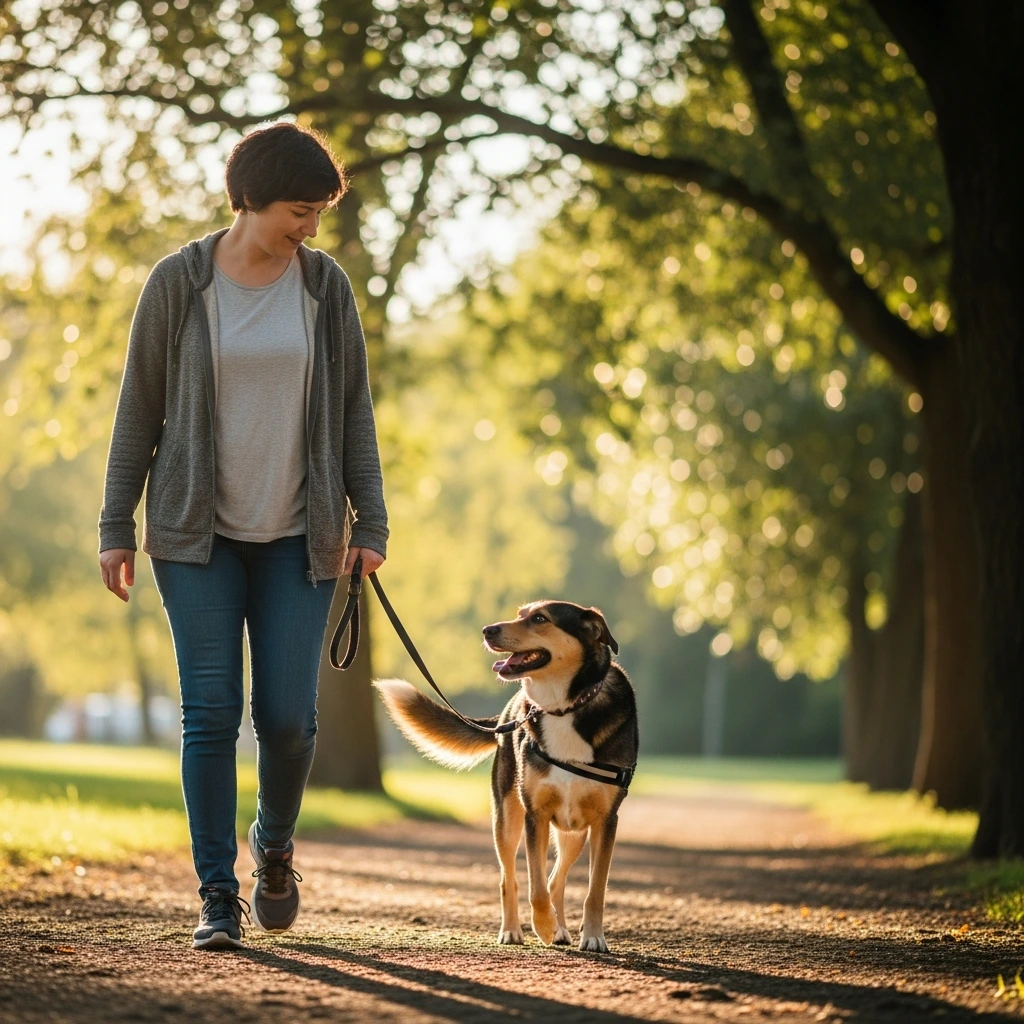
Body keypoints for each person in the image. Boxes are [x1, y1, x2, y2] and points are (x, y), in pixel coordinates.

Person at [98, 121, 388, 950]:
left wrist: (372, 518)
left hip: (302, 536)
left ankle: (276, 846)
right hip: (196, 538)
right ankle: (217, 895)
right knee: (211, 714)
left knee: (291, 720)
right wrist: (116, 523)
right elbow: (137, 413)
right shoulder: (179, 283)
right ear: (251, 200)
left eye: (320, 213)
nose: (311, 227)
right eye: (301, 210)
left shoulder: (325, 288)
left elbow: (354, 414)